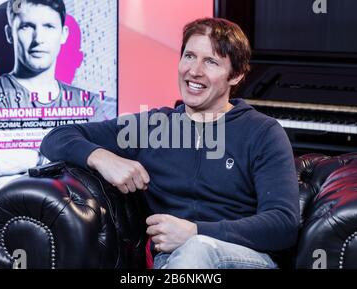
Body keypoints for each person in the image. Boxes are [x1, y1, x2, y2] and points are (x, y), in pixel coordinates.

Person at [40, 17, 299, 269]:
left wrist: (196, 232)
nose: (194, 71)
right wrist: (102, 157)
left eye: (210, 61)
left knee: (197, 248)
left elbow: (283, 225)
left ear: (236, 76)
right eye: (189, 56)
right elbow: (56, 138)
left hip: (244, 258)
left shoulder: (263, 132)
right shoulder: (153, 126)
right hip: (174, 261)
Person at [0, 0, 114, 198]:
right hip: (18, 227)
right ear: (10, 34)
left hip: (88, 227)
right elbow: (12, 196)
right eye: (27, 26)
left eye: (48, 26)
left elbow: (104, 180)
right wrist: (79, 161)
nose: (38, 39)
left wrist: (34, 160)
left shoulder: (89, 103)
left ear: (63, 34)